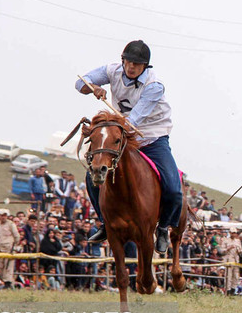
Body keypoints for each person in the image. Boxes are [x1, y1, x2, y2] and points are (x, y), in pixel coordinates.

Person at [75, 40, 183, 253]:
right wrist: (93, 88)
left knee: (173, 188)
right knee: (92, 175)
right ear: (122, 60)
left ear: (145, 66)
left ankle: (162, 228)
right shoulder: (111, 70)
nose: (131, 67)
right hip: (121, 136)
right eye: (128, 61)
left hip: (152, 138)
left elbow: (134, 121)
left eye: (137, 64)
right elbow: (80, 83)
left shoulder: (154, 86)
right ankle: (105, 223)